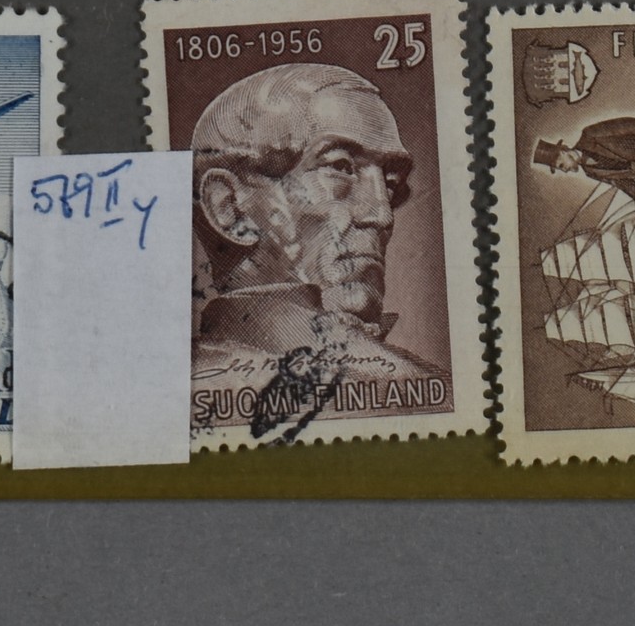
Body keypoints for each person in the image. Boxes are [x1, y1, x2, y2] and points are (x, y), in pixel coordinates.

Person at [186, 64, 443, 405]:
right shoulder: (419, 389)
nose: (382, 215)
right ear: (231, 208)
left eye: (390, 184)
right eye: (340, 167)